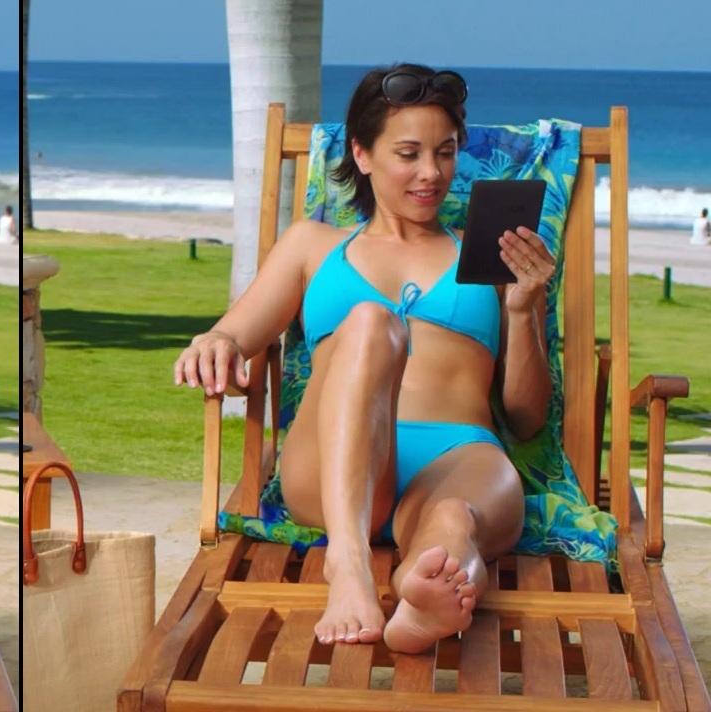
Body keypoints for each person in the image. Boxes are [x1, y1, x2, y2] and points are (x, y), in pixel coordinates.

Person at [171, 63, 552, 654]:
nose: (431, 173)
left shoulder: (492, 258)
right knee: (373, 322)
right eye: (409, 153)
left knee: (455, 521)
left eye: (446, 152)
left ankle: (424, 601)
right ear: (362, 153)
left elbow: (526, 419)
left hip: (457, 455)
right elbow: (231, 334)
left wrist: (525, 309)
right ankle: (347, 563)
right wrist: (214, 343)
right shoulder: (311, 245)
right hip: (331, 463)